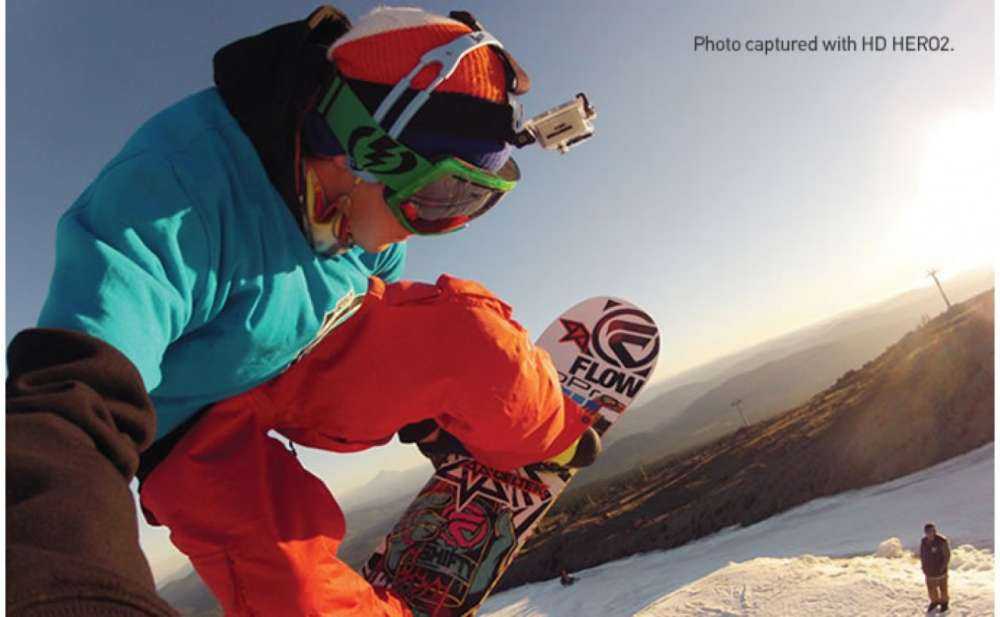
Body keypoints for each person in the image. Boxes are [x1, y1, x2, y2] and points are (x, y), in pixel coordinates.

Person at [6, 6, 596, 616]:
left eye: (475, 199)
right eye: (441, 194)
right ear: (361, 150)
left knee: (472, 341)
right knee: (292, 589)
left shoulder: (371, 217)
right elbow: (71, 402)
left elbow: (399, 327)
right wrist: (67, 586)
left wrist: (420, 409)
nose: (446, 222)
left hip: (312, 345)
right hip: (190, 426)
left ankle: (548, 437)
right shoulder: (170, 199)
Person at [920, 522, 951, 612]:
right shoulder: (924, 541)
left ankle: (944, 603)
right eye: (927, 532)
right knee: (931, 589)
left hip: (940, 571)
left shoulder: (942, 541)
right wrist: (923, 566)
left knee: (943, 588)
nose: (929, 534)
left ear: (934, 531)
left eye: (931, 531)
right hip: (929, 571)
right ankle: (934, 601)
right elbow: (922, 555)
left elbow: (947, 556)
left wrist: (943, 567)